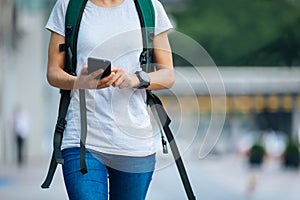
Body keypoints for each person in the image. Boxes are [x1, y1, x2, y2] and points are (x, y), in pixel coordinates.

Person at [45, 0, 174, 199]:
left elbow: (168, 76)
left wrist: (135, 79)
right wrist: (81, 81)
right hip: (81, 139)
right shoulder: (68, 6)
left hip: (134, 143)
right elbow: (53, 72)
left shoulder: (149, 7)